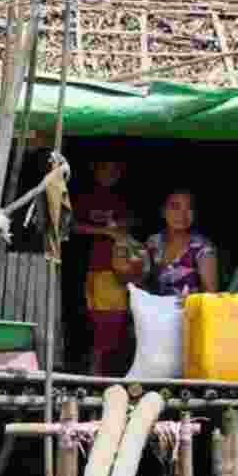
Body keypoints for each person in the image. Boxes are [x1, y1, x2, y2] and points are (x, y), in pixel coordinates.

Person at [72, 158, 138, 375]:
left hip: (114, 271)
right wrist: (104, 231)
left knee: (112, 320)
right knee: (97, 319)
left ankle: (103, 371)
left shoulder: (122, 199)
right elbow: (71, 226)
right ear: (95, 170)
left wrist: (118, 228)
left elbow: (130, 224)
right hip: (90, 267)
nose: (110, 174)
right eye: (105, 169)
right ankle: (96, 371)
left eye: (114, 169)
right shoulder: (86, 198)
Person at [145, 189, 218, 297]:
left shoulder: (203, 249)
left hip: (188, 312)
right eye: (175, 207)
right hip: (154, 311)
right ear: (163, 211)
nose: (182, 214)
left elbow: (211, 297)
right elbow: (142, 281)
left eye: (189, 208)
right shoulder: (153, 242)